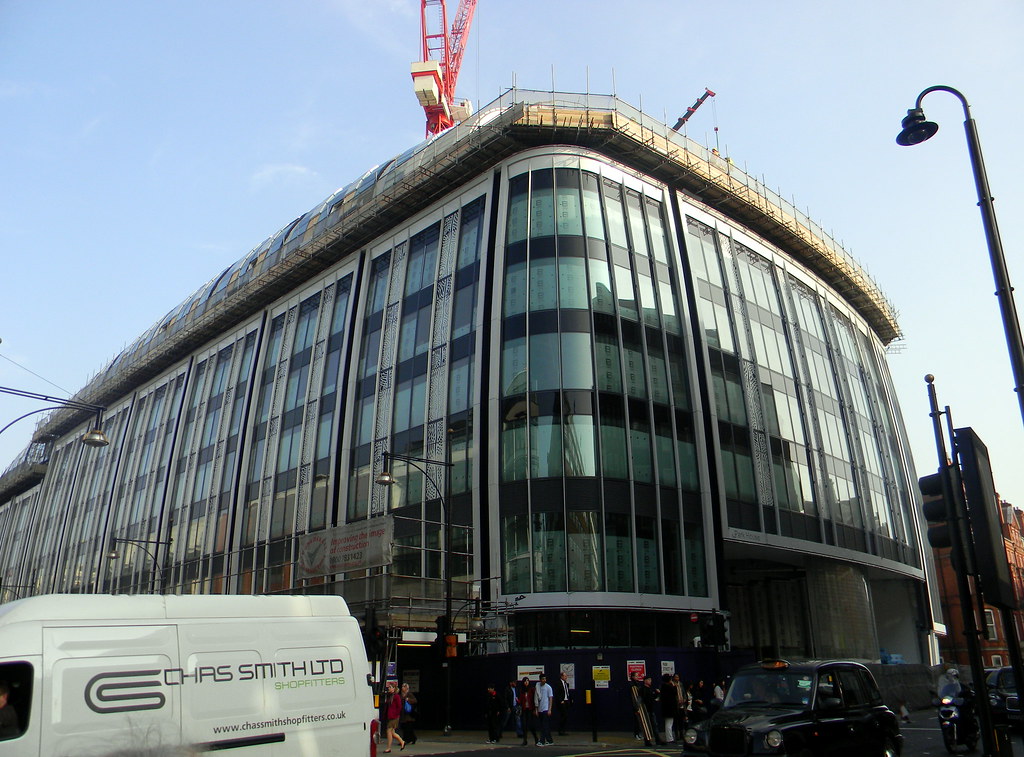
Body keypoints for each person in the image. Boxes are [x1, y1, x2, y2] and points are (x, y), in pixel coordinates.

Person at [629, 672, 654, 747]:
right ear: (633, 677)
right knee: (640, 722)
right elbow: (636, 697)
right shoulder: (633, 685)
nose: (637, 677)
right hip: (639, 707)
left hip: (641, 706)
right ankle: (639, 735)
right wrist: (637, 707)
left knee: (642, 722)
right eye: (636, 676)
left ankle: (642, 735)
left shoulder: (637, 684)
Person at [382, 681, 406, 753]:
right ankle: (402, 742)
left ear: (394, 688)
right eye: (388, 687)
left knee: (388, 731)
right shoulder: (390, 696)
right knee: (392, 733)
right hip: (390, 716)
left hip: (394, 717)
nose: (388, 688)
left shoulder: (396, 696)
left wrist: (395, 715)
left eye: (390, 687)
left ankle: (389, 748)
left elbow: (399, 707)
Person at [534, 673, 555, 746]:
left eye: (545, 679)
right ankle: (550, 740)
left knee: (543, 726)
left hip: (545, 709)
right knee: (544, 726)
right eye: (543, 679)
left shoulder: (548, 687)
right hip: (540, 709)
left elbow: (550, 698)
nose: (544, 680)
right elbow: (536, 699)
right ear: (540, 679)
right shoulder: (537, 687)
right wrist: (536, 710)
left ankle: (542, 741)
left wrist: (550, 709)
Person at [518, 676, 538, 747]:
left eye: (527, 681)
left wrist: (535, 709)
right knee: (524, 725)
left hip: (530, 709)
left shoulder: (532, 689)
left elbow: (535, 699)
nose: (526, 682)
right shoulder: (522, 691)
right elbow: (520, 700)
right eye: (525, 681)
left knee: (531, 725)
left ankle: (536, 739)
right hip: (524, 710)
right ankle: (525, 740)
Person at [660, 673, 678, 743]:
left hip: (666, 708)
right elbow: (674, 692)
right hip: (670, 708)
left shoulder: (663, 687)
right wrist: (674, 686)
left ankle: (669, 737)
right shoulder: (669, 687)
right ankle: (669, 738)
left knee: (668, 723)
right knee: (669, 723)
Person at [555, 671, 572, 735]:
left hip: (566, 701)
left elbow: (567, 692)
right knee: (563, 716)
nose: (566, 677)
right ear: (561, 676)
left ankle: (563, 730)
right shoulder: (558, 683)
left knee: (565, 716)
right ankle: (560, 730)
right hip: (562, 702)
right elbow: (557, 693)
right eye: (565, 676)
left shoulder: (566, 684)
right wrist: (560, 700)